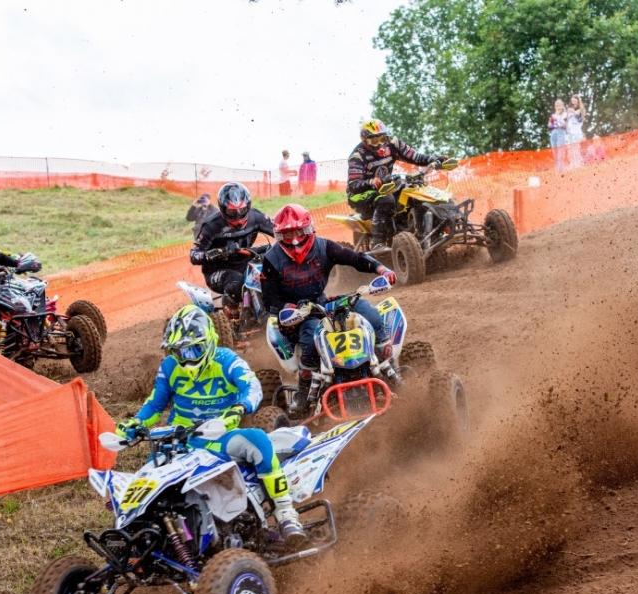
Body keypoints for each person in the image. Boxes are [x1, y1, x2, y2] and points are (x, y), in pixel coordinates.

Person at [116, 305, 306, 547]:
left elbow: (252, 387)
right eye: (179, 351)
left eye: (193, 349)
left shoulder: (227, 360)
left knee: (258, 440)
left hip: (220, 436)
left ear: (208, 342)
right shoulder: (170, 366)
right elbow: (154, 405)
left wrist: (239, 408)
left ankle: (285, 512)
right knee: (146, 482)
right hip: (178, 441)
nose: (187, 358)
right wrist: (136, 422)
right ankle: (140, 536)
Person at [260, 204, 396, 409]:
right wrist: (286, 307)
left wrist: (381, 268)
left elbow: (355, 258)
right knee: (311, 336)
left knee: (370, 314)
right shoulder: (271, 259)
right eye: (288, 235)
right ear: (279, 236)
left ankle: (387, 367)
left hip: (321, 302)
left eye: (299, 232)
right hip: (296, 315)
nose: (295, 240)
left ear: (308, 229)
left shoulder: (323, 247)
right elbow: (269, 300)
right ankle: (305, 390)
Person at [346, 119, 446, 249]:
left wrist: (434, 159)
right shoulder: (357, 156)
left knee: (415, 192)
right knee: (386, 199)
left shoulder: (393, 144)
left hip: (386, 186)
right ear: (365, 140)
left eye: (382, 139)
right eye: (374, 140)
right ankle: (378, 242)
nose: (379, 144)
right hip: (359, 194)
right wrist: (371, 181)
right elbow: (354, 184)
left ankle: (428, 232)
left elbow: (415, 157)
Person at [190, 182, 274, 315]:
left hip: (245, 264)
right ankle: (231, 310)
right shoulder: (212, 226)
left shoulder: (256, 217)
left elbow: (280, 231)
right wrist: (215, 253)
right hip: (216, 270)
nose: (238, 217)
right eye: (231, 212)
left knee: (271, 274)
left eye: (242, 210)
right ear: (222, 209)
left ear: (248, 206)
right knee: (237, 283)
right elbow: (194, 255)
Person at [547, 98, 569, 173]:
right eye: (556, 105)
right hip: (553, 133)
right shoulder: (553, 115)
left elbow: (565, 125)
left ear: (562, 106)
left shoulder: (565, 114)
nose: (558, 106)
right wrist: (554, 122)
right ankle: (557, 169)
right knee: (555, 152)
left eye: (559, 105)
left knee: (560, 152)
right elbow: (549, 125)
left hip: (561, 132)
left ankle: (561, 170)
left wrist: (557, 121)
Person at [565, 95, 586, 169]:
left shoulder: (580, 109)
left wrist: (573, 112)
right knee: (570, 148)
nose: (573, 102)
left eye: (575, 100)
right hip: (569, 132)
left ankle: (578, 163)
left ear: (578, 100)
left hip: (576, 132)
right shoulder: (569, 109)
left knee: (576, 147)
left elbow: (580, 120)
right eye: (572, 100)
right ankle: (572, 163)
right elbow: (567, 120)